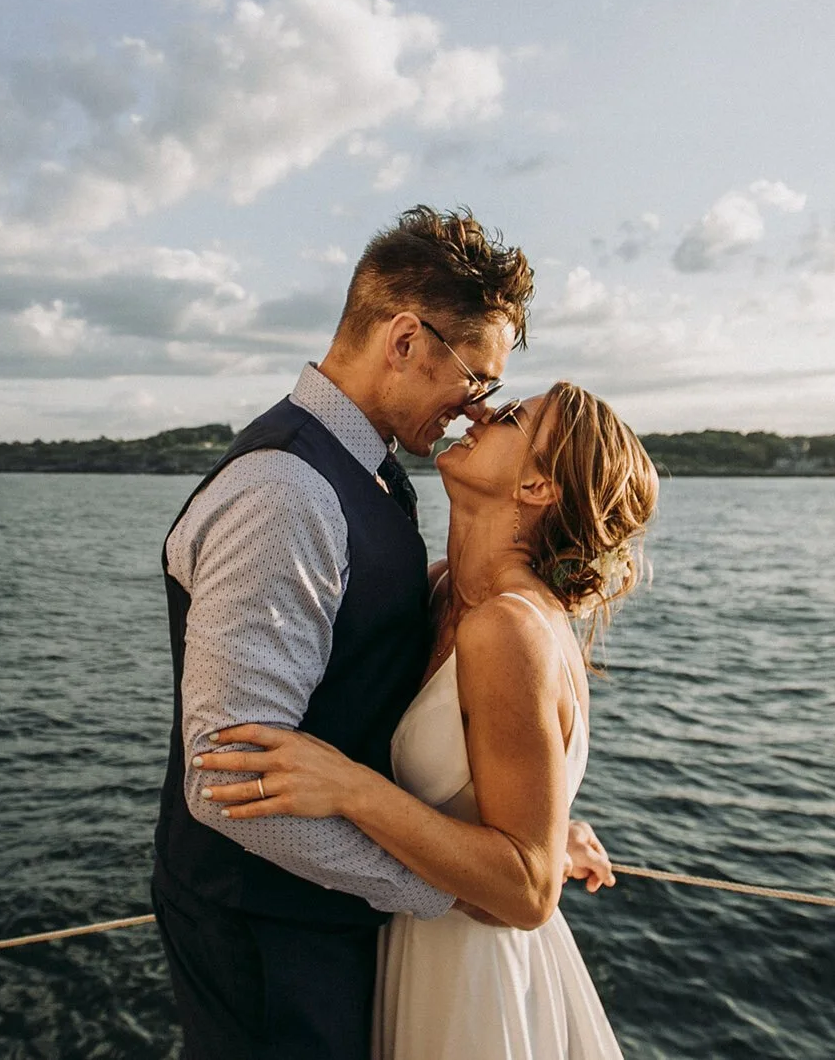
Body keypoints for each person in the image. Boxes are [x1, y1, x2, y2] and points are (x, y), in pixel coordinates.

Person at [152, 205, 537, 1059]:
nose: (477, 410)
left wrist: (503, 826)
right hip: (269, 937)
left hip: (320, 914)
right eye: (476, 378)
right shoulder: (286, 491)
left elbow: (374, 653)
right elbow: (231, 788)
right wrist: (450, 886)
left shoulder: (369, 469)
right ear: (405, 340)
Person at [196, 380, 659, 1059]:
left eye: (510, 416)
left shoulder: (508, 628)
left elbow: (529, 894)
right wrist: (554, 827)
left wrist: (352, 788)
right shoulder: (442, 588)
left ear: (536, 487)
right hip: (411, 940)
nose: (479, 411)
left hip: (474, 976)